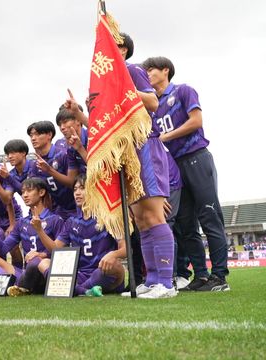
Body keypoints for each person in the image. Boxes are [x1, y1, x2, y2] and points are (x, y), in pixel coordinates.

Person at [64, 32, 176, 299]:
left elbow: (152, 102)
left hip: (144, 147)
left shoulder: (132, 71)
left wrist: (123, 90)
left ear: (122, 49)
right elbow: (104, 130)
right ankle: (151, 280)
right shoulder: (104, 83)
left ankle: (166, 283)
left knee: (153, 216)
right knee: (139, 219)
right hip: (125, 155)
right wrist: (80, 112)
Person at [142, 56, 229, 292]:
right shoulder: (152, 104)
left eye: (151, 69)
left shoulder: (183, 91)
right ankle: (201, 275)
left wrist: (166, 137)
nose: (147, 73)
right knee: (186, 224)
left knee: (210, 217)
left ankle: (220, 276)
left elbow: (196, 121)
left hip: (196, 157)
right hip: (174, 166)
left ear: (165, 70)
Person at [36, 174, 127, 297]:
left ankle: (73, 289)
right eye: (75, 189)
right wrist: (39, 230)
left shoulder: (109, 218)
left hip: (102, 272)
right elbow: (55, 249)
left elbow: (126, 250)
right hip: (79, 274)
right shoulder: (71, 222)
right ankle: (84, 291)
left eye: (82, 188)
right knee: (43, 263)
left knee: (116, 266)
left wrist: (113, 254)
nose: (77, 193)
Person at [0, 178, 65, 296]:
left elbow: (62, 252)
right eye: (23, 192)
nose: (25, 195)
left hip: (42, 271)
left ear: (41, 192)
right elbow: (2, 249)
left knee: (35, 261)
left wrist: (42, 254)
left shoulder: (55, 219)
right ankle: (8, 283)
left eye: (29, 191)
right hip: (25, 273)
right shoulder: (21, 223)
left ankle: (19, 286)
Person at [27, 121, 77, 220]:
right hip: (60, 210)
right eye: (31, 135)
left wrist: (49, 170)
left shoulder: (63, 154)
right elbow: (34, 191)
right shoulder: (35, 165)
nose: (33, 138)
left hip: (79, 206)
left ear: (49, 135)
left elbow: (73, 182)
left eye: (37, 134)